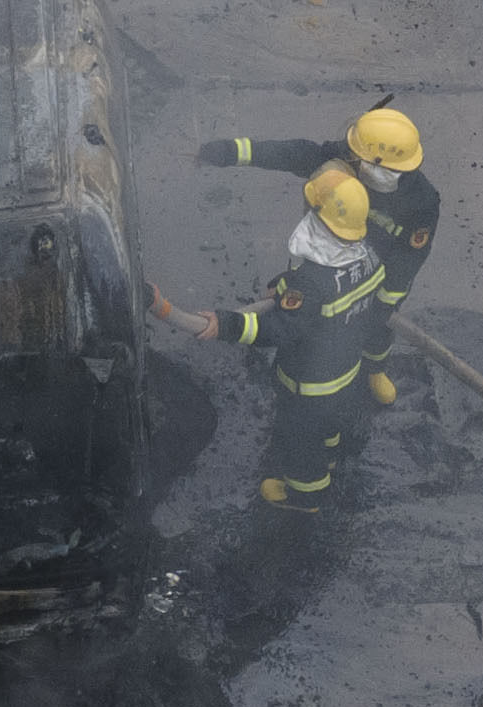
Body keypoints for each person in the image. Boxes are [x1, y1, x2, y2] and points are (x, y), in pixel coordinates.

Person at [150, 173, 386, 510]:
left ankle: (305, 495)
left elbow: (275, 329)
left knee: (300, 442)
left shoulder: (312, 287)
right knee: (328, 430)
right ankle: (330, 459)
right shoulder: (370, 260)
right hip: (347, 374)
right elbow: (331, 284)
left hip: (310, 389)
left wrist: (225, 325)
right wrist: (290, 283)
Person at [196, 107, 440, 405]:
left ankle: (375, 370)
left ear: (385, 168)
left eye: (357, 157)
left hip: (375, 275)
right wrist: (232, 152)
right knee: (310, 326)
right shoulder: (350, 158)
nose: (349, 159)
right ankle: (301, 359)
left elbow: (410, 258)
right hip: (322, 263)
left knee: (376, 329)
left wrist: (386, 300)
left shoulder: (422, 202)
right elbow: (295, 154)